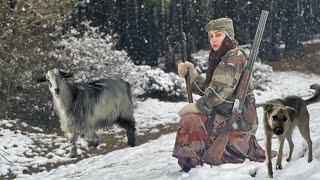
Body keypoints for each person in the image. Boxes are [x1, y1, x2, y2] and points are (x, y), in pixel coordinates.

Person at [172, 18, 274, 172]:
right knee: (193, 118)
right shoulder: (223, 55)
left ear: (228, 36)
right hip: (227, 117)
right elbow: (212, 89)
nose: (213, 39)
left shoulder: (233, 57)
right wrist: (192, 77)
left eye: (218, 35)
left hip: (237, 123)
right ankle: (198, 157)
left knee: (190, 119)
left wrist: (198, 106)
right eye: (211, 36)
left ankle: (194, 162)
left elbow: (217, 95)